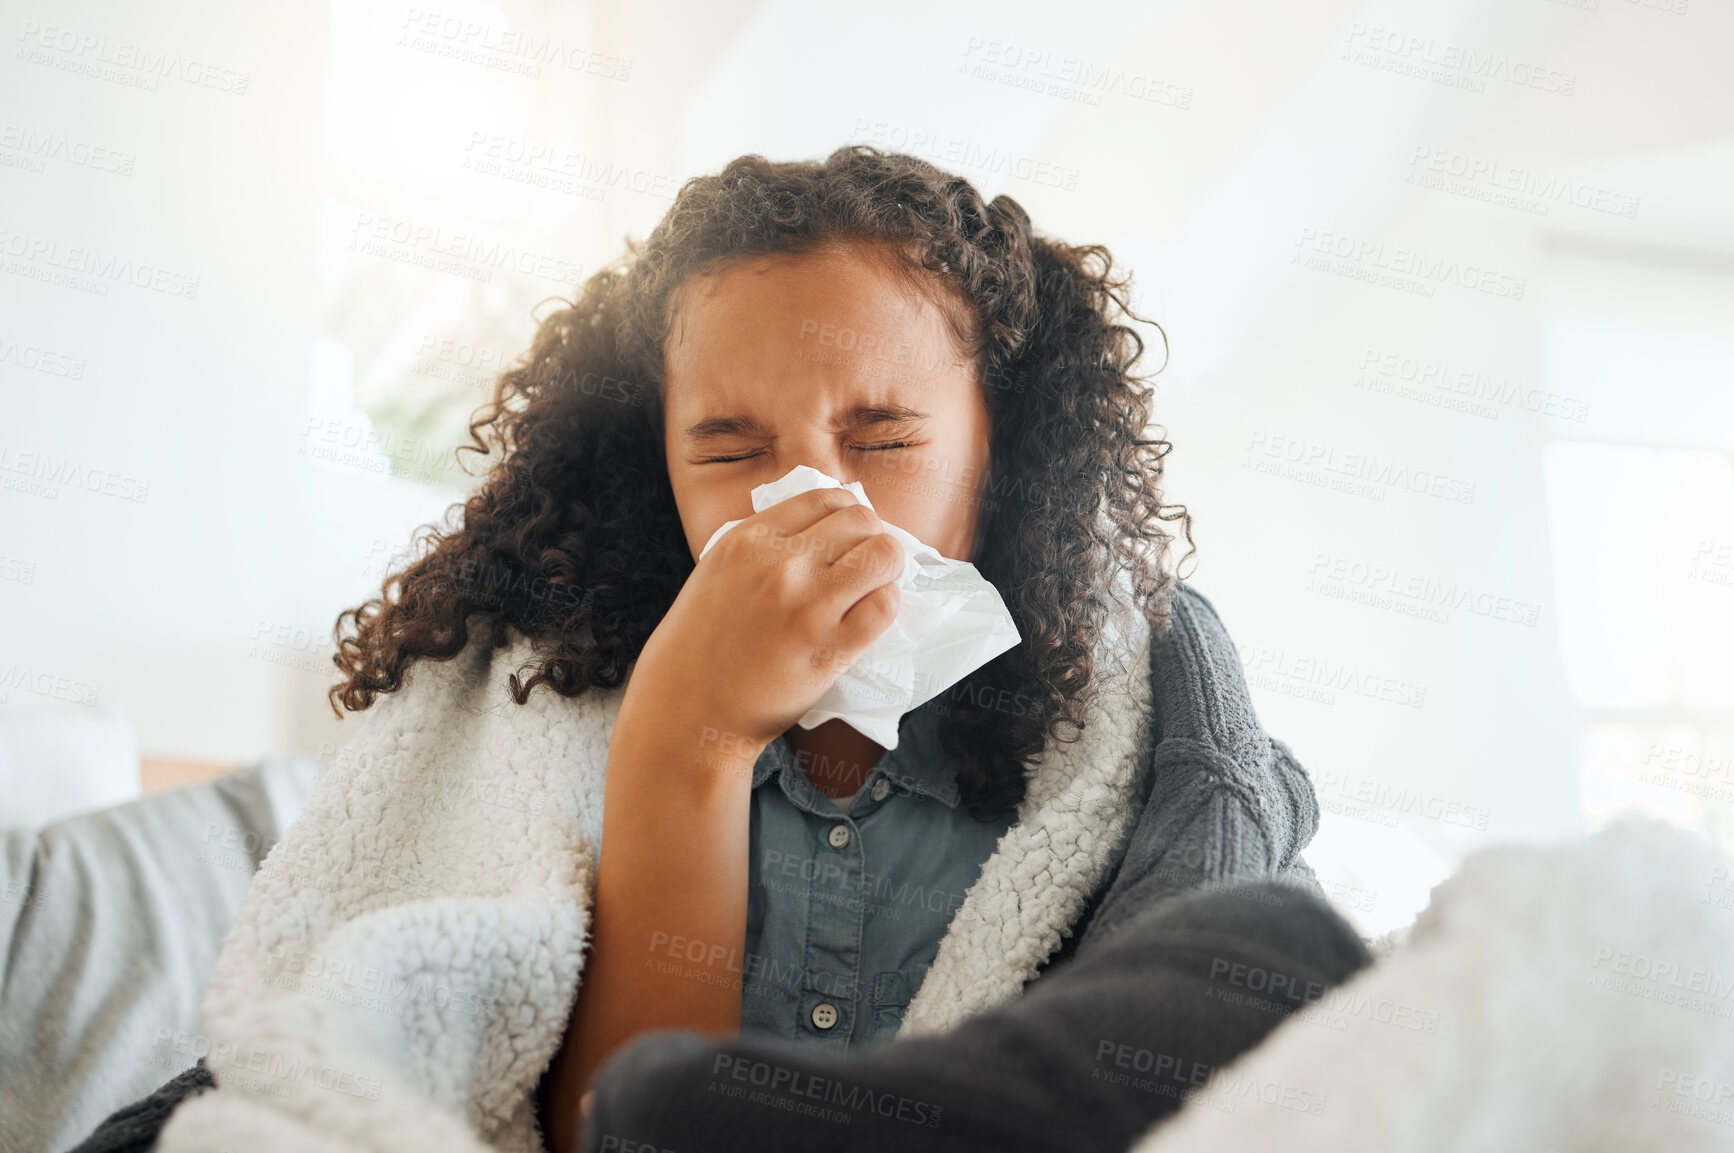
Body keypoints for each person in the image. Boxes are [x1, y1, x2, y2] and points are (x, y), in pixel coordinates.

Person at [73, 145, 1340, 1153]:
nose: (807, 497)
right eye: (731, 448)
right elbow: (603, 1128)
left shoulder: (1127, 706)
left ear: (1000, 454)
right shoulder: (560, 711)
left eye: (885, 437)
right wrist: (692, 731)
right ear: (653, 466)